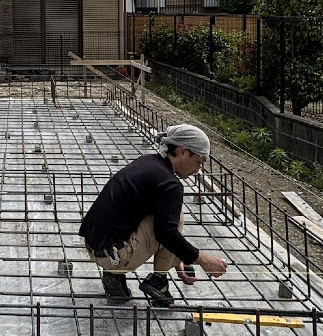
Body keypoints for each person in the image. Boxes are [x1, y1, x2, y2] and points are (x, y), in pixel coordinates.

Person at [79, 123, 228, 307]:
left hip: (94, 245)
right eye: (199, 161)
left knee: (165, 214)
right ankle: (158, 280)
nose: (198, 169)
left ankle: (116, 276)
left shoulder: (148, 162)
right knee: (174, 218)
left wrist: (176, 260)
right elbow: (166, 234)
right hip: (114, 255)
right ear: (182, 152)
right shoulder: (171, 185)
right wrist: (203, 259)